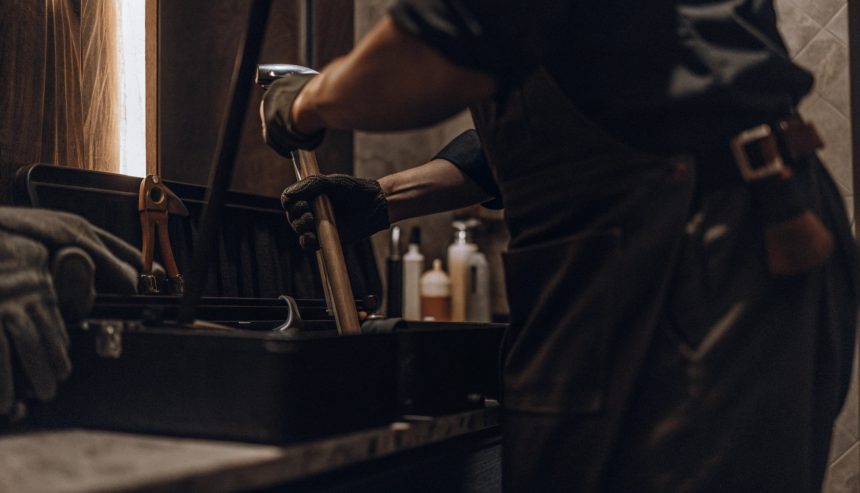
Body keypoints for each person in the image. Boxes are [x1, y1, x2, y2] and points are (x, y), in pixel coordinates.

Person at [261, 2, 858, 491]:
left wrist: (305, 103)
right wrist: (385, 198)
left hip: (701, 250)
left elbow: (441, 49)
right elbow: (576, 111)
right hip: (708, 223)